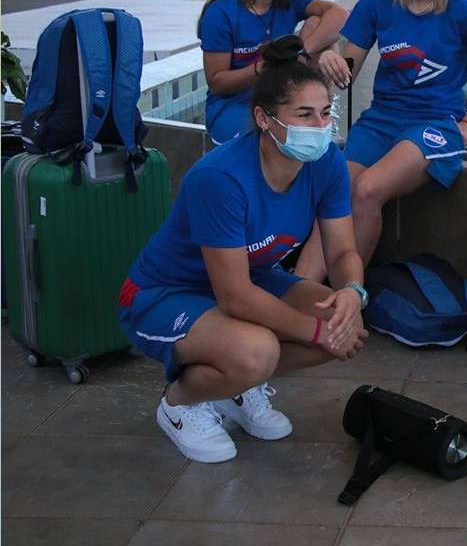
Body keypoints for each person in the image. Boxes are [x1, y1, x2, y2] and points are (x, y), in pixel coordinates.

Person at [117, 36, 369, 464]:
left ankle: (234, 385)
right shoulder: (220, 178)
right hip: (163, 294)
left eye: (325, 113)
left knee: (344, 325)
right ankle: (179, 403)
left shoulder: (326, 162)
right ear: (264, 118)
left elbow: (343, 249)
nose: (319, 126)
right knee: (260, 351)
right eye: (304, 114)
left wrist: (351, 292)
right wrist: (311, 330)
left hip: (248, 279)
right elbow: (235, 296)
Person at [297, 0, 467, 277]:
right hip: (380, 121)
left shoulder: (465, 13)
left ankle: (349, 299)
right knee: (335, 192)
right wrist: (327, 59)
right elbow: (346, 73)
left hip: (434, 126)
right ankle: (299, 292)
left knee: (367, 190)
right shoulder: (378, 2)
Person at [197, 0, 350, 144]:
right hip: (235, 103)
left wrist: (301, 51)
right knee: (260, 145)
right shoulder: (221, 13)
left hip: (283, 95)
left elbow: (340, 15)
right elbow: (217, 83)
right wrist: (264, 67)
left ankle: (322, 112)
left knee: (318, 23)